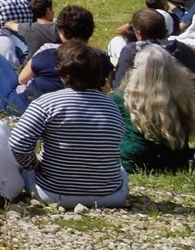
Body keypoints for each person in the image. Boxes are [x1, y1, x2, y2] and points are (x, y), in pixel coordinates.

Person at [7, 42, 129, 207]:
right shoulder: (112, 106)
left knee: (22, 168)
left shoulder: (47, 103)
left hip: (53, 193)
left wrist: (34, 165)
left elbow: (17, 143)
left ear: (62, 72)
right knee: (121, 170)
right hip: (110, 196)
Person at [115, 39, 195, 171]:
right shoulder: (184, 96)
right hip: (174, 159)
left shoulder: (118, 99)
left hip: (134, 161)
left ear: (134, 71)